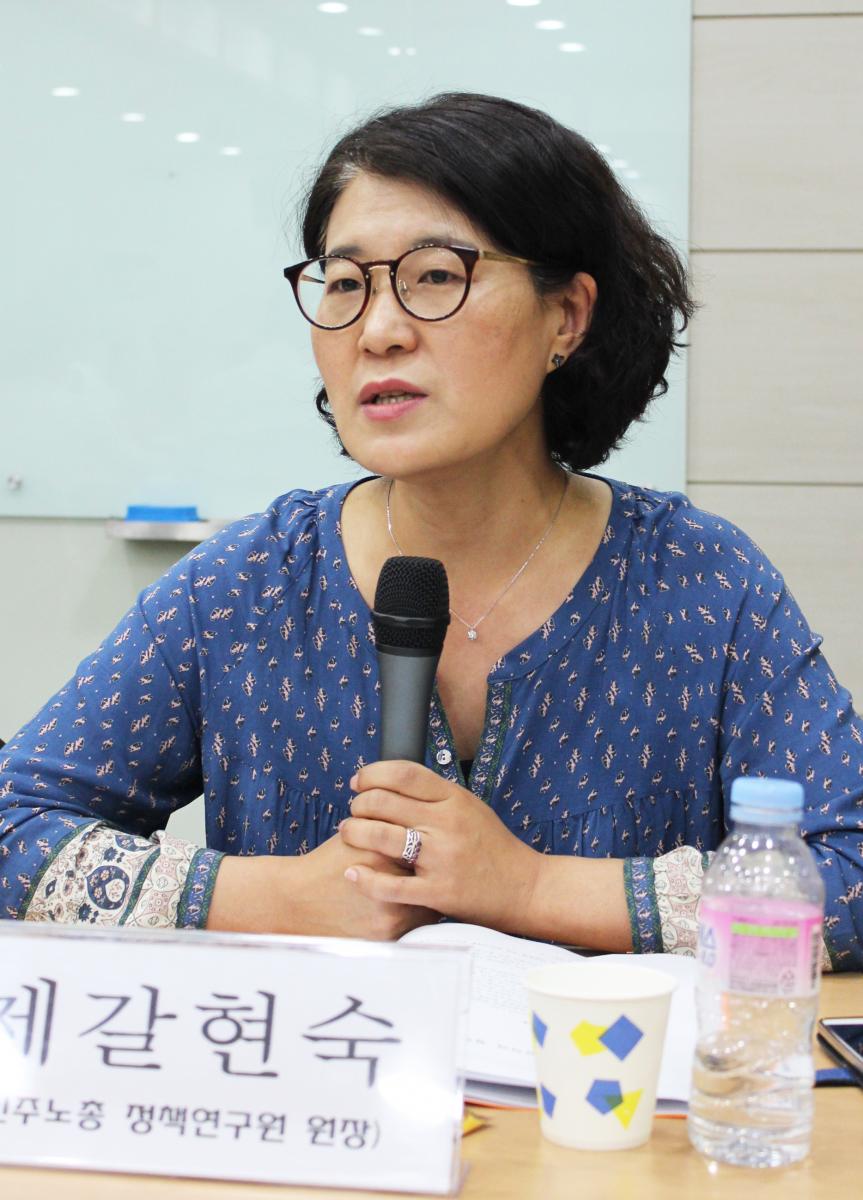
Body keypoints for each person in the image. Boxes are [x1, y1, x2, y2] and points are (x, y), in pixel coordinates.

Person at [1, 93, 861, 968]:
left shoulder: (699, 580)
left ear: (565, 317)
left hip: (595, 1061)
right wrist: (281, 897)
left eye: (437, 276)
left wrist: (531, 887)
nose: (377, 331)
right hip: (329, 1055)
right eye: (345, 284)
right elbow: (15, 824)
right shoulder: (246, 583)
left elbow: (851, 872)